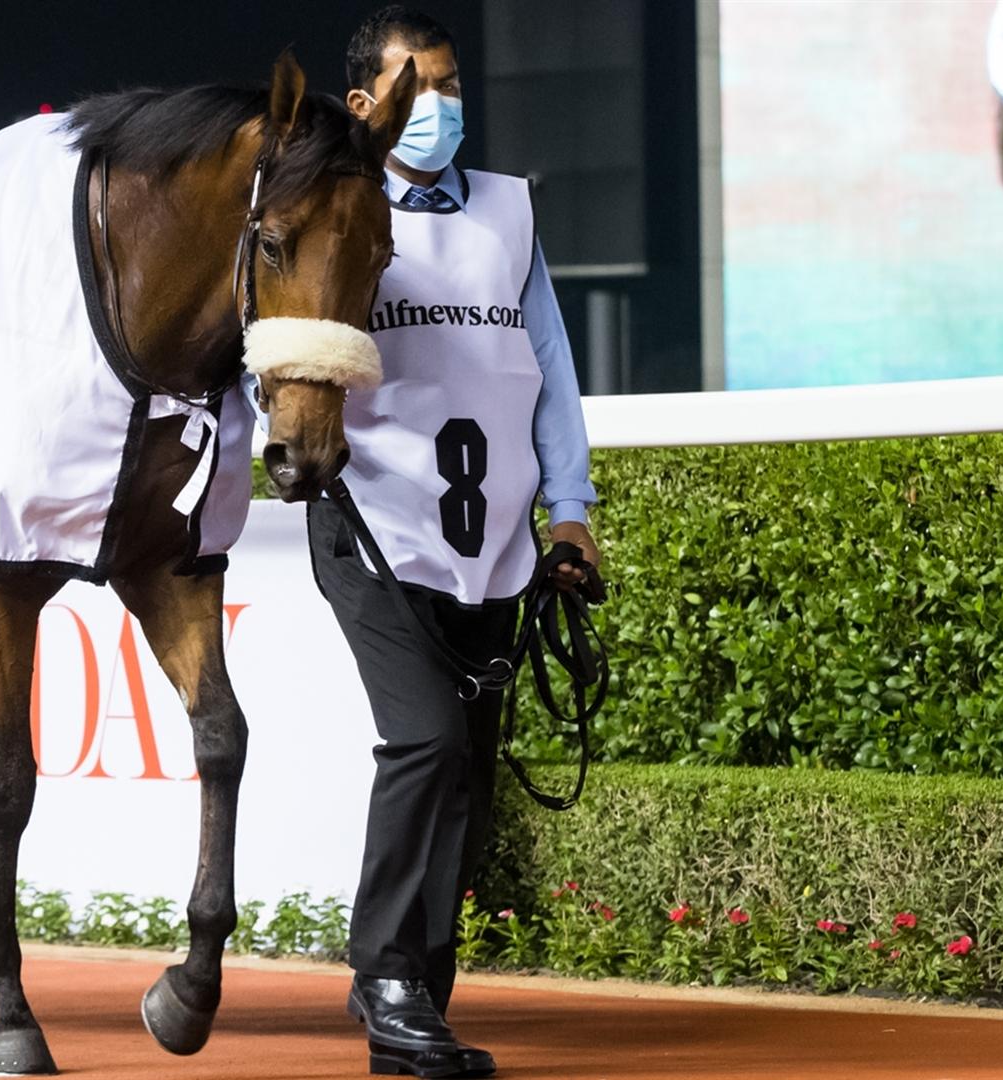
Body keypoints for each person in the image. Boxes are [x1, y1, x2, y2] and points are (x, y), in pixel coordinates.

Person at [298, 6, 601, 1076]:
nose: (441, 104)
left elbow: (551, 370)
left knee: (467, 779)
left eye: (453, 83)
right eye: (416, 84)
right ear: (365, 106)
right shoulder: (329, 215)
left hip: (493, 546)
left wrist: (572, 509)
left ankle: (416, 1007)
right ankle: (380, 970)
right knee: (424, 741)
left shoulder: (509, 215)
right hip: (372, 533)